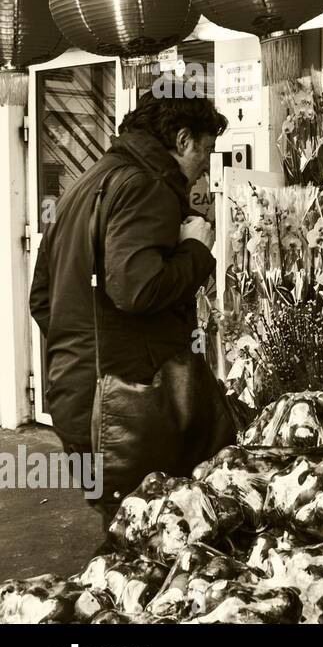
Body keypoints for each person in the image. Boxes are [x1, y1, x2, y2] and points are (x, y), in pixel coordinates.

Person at [29, 90, 227, 531]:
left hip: (78, 397)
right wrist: (196, 249)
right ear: (181, 140)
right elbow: (137, 291)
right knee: (152, 533)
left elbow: (42, 299)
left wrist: (86, 352)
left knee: (125, 526)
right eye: (206, 152)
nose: (204, 170)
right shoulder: (145, 186)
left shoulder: (85, 182)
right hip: (124, 407)